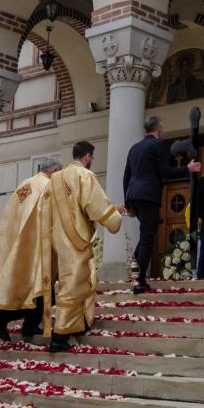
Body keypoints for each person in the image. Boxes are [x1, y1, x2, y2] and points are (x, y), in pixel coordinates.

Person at [47, 143, 124, 352]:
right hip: (76, 240)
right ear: (88, 156)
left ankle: (79, 324)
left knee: (80, 281)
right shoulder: (84, 176)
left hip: (57, 238)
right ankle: (60, 335)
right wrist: (115, 217)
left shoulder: (55, 178)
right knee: (73, 284)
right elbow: (94, 205)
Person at [0, 160, 63, 344]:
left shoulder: (26, 184)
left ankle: (29, 326)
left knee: (33, 292)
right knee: (38, 292)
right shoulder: (46, 186)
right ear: (54, 170)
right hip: (36, 248)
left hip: (19, 244)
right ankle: (2, 320)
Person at [124, 117, 201, 294]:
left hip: (134, 195)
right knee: (148, 237)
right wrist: (187, 169)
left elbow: (126, 176)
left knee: (145, 236)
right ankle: (139, 280)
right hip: (148, 196)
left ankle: (136, 274)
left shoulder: (134, 148)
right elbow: (165, 172)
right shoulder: (158, 145)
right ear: (159, 129)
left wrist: (128, 202)